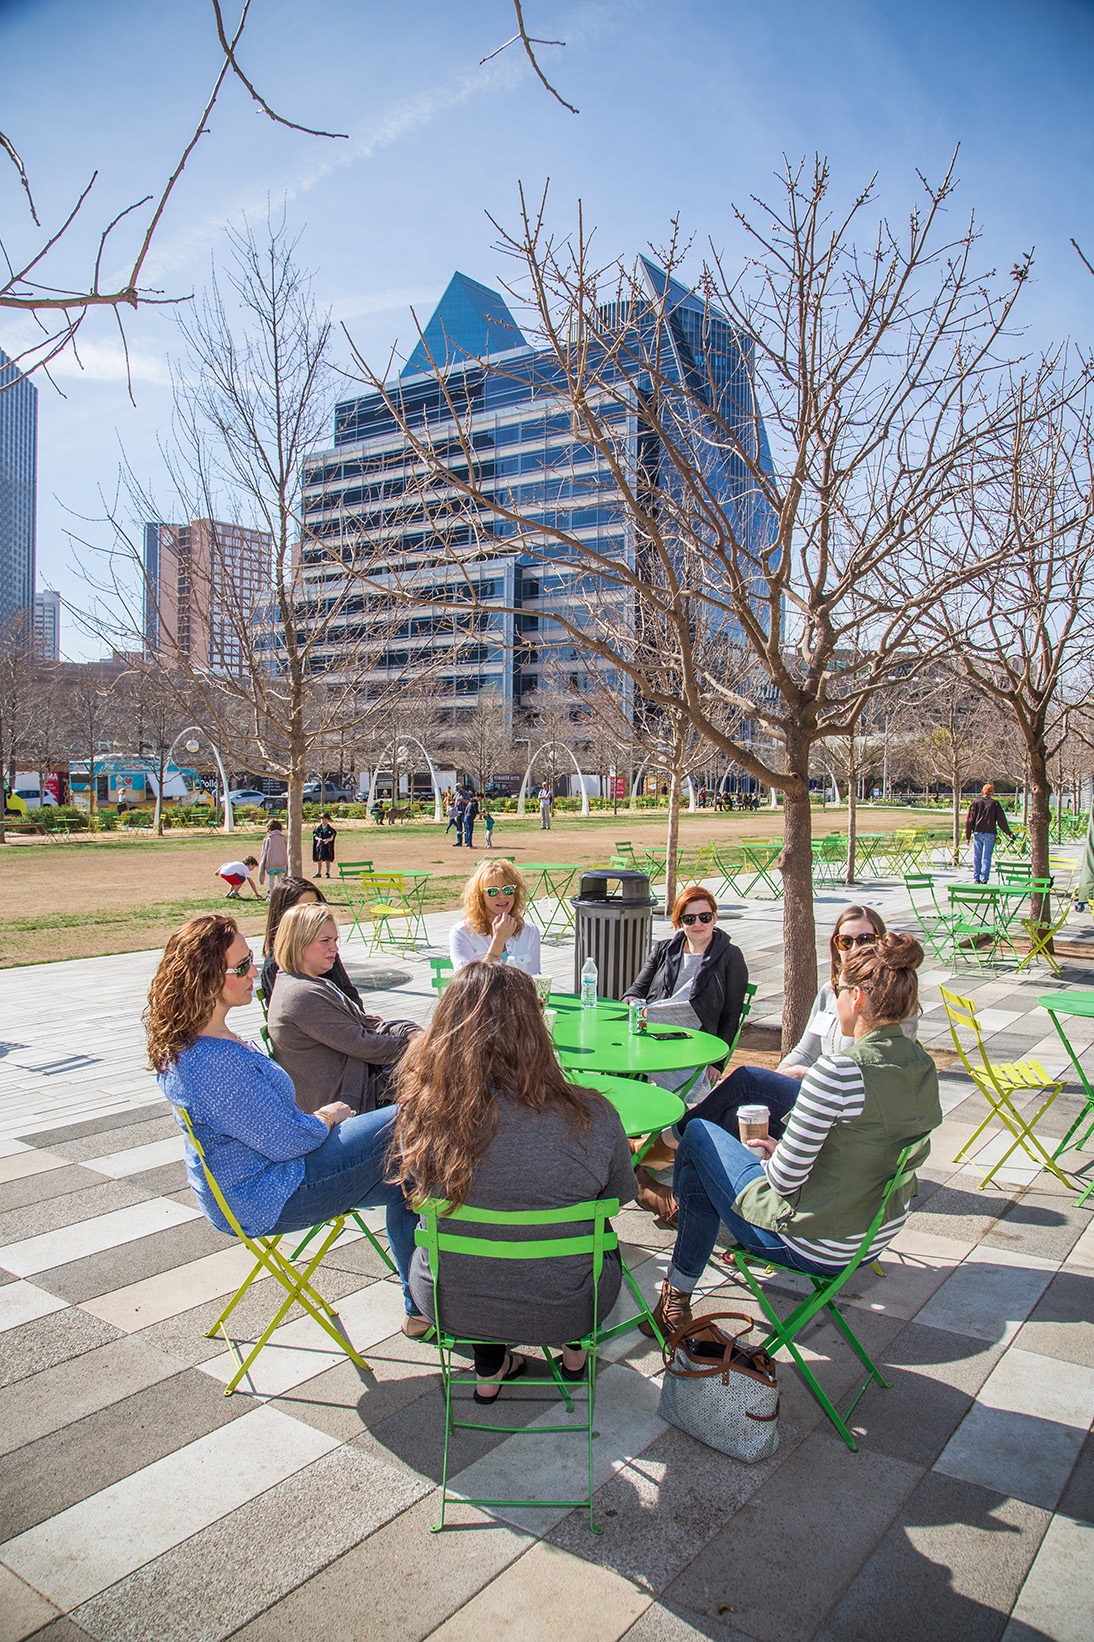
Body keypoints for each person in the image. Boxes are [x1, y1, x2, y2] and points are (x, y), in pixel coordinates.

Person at [641, 932, 942, 1339]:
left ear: (856, 998)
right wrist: (786, 1146)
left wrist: (771, 1156)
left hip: (811, 1241)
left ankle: (675, 1283)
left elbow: (783, 1182)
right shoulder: (920, 1064)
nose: (834, 998)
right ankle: (673, 1213)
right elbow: (866, 1141)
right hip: (872, 1231)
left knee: (699, 1134)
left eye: (838, 989)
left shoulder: (838, 1072)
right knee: (748, 1082)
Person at [147, 913, 428, 1338]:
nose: (254, 972)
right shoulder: (211, 1063)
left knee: (412, 1182)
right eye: (240, 966)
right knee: (409, 1119)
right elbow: (287, 1141)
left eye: (250, 961)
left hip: (268, 1180)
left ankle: (423, 1311)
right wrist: (327, 1116)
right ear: (205, 979)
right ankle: (485, 1295)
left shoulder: (204, 1040)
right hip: (270, 1193)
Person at [390, 962, 636, 1400]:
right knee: (591, 1232)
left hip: (453, 1299)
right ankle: (575, 1354)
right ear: (534, 1030)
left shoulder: (420, 1115)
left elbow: (414, 1188)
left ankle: (489, 1366)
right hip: (571, 1302)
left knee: (475, 1233)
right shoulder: (594, 1117)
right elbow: (618, 1196)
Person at [675, 905, 919, 1147]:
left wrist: (802, 1075)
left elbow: (876, 1072)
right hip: (816, 1097)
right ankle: (682, 1168)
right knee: (735, 1117)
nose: (854, 948)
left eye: (865, 940)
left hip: (845, 1108)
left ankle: (668, 1141)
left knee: (747, 1080)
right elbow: (806, 1050)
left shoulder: (891, 1002)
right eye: (846, 941)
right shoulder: (828, 992)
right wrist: (782, 1075)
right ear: (836, 946)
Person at [267, 904, 420, 1115]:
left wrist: (408, 1031)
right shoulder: (300, 995)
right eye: (325, 941)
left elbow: (366, 1022)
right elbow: (362, 1043)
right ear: (298, 942)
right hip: (348, 1106)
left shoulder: (318, 984)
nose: (335, 949)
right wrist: (416, 1048)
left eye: (335, 940)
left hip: (361, 1081)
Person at [260, 877, 362, 1007]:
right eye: (306, 908)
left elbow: (349, 993)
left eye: (317, 905)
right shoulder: (277, 964)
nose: (314, 912)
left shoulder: (325, 950)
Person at [449, 861, 542, 974]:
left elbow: (534, 979)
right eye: (493, 891)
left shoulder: (529, 931)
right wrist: (498, 940)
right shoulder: (462, 933)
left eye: (508, 889)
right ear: (480, 896)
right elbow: (470, 986)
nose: (502, 896)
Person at [965, 783, 1014, 883]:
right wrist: (1009, 833)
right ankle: (984, 879)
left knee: (977, 856)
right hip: (990, 833)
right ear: (993, 793)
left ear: (982, 792)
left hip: (978, 832)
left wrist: (967, 835)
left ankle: (976, 877)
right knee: (987, 857)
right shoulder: (995, 804)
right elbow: (1001, 821)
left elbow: (970, 820)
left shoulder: (976, 802)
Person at [258, 821, 288, 897]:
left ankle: (271, 894)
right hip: (282, 862)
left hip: (271, 862)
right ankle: (281, 894)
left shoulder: (268, 839)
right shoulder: (284, 838)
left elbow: (264, 852)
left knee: (271, 879)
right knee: (281, 878)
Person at [312, 813, 337, 879]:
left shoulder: (331, 830)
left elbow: (332, 837)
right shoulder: (317, 829)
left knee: (327, 859)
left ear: (328, 820)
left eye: (325, 819)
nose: (324, 821)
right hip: (320, 846)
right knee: (319, 859)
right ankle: (319, 872)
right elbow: (315, 836)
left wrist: (327, 840)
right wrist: (319, 840)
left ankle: (327, 872)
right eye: (322, 819)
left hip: (327, 847)